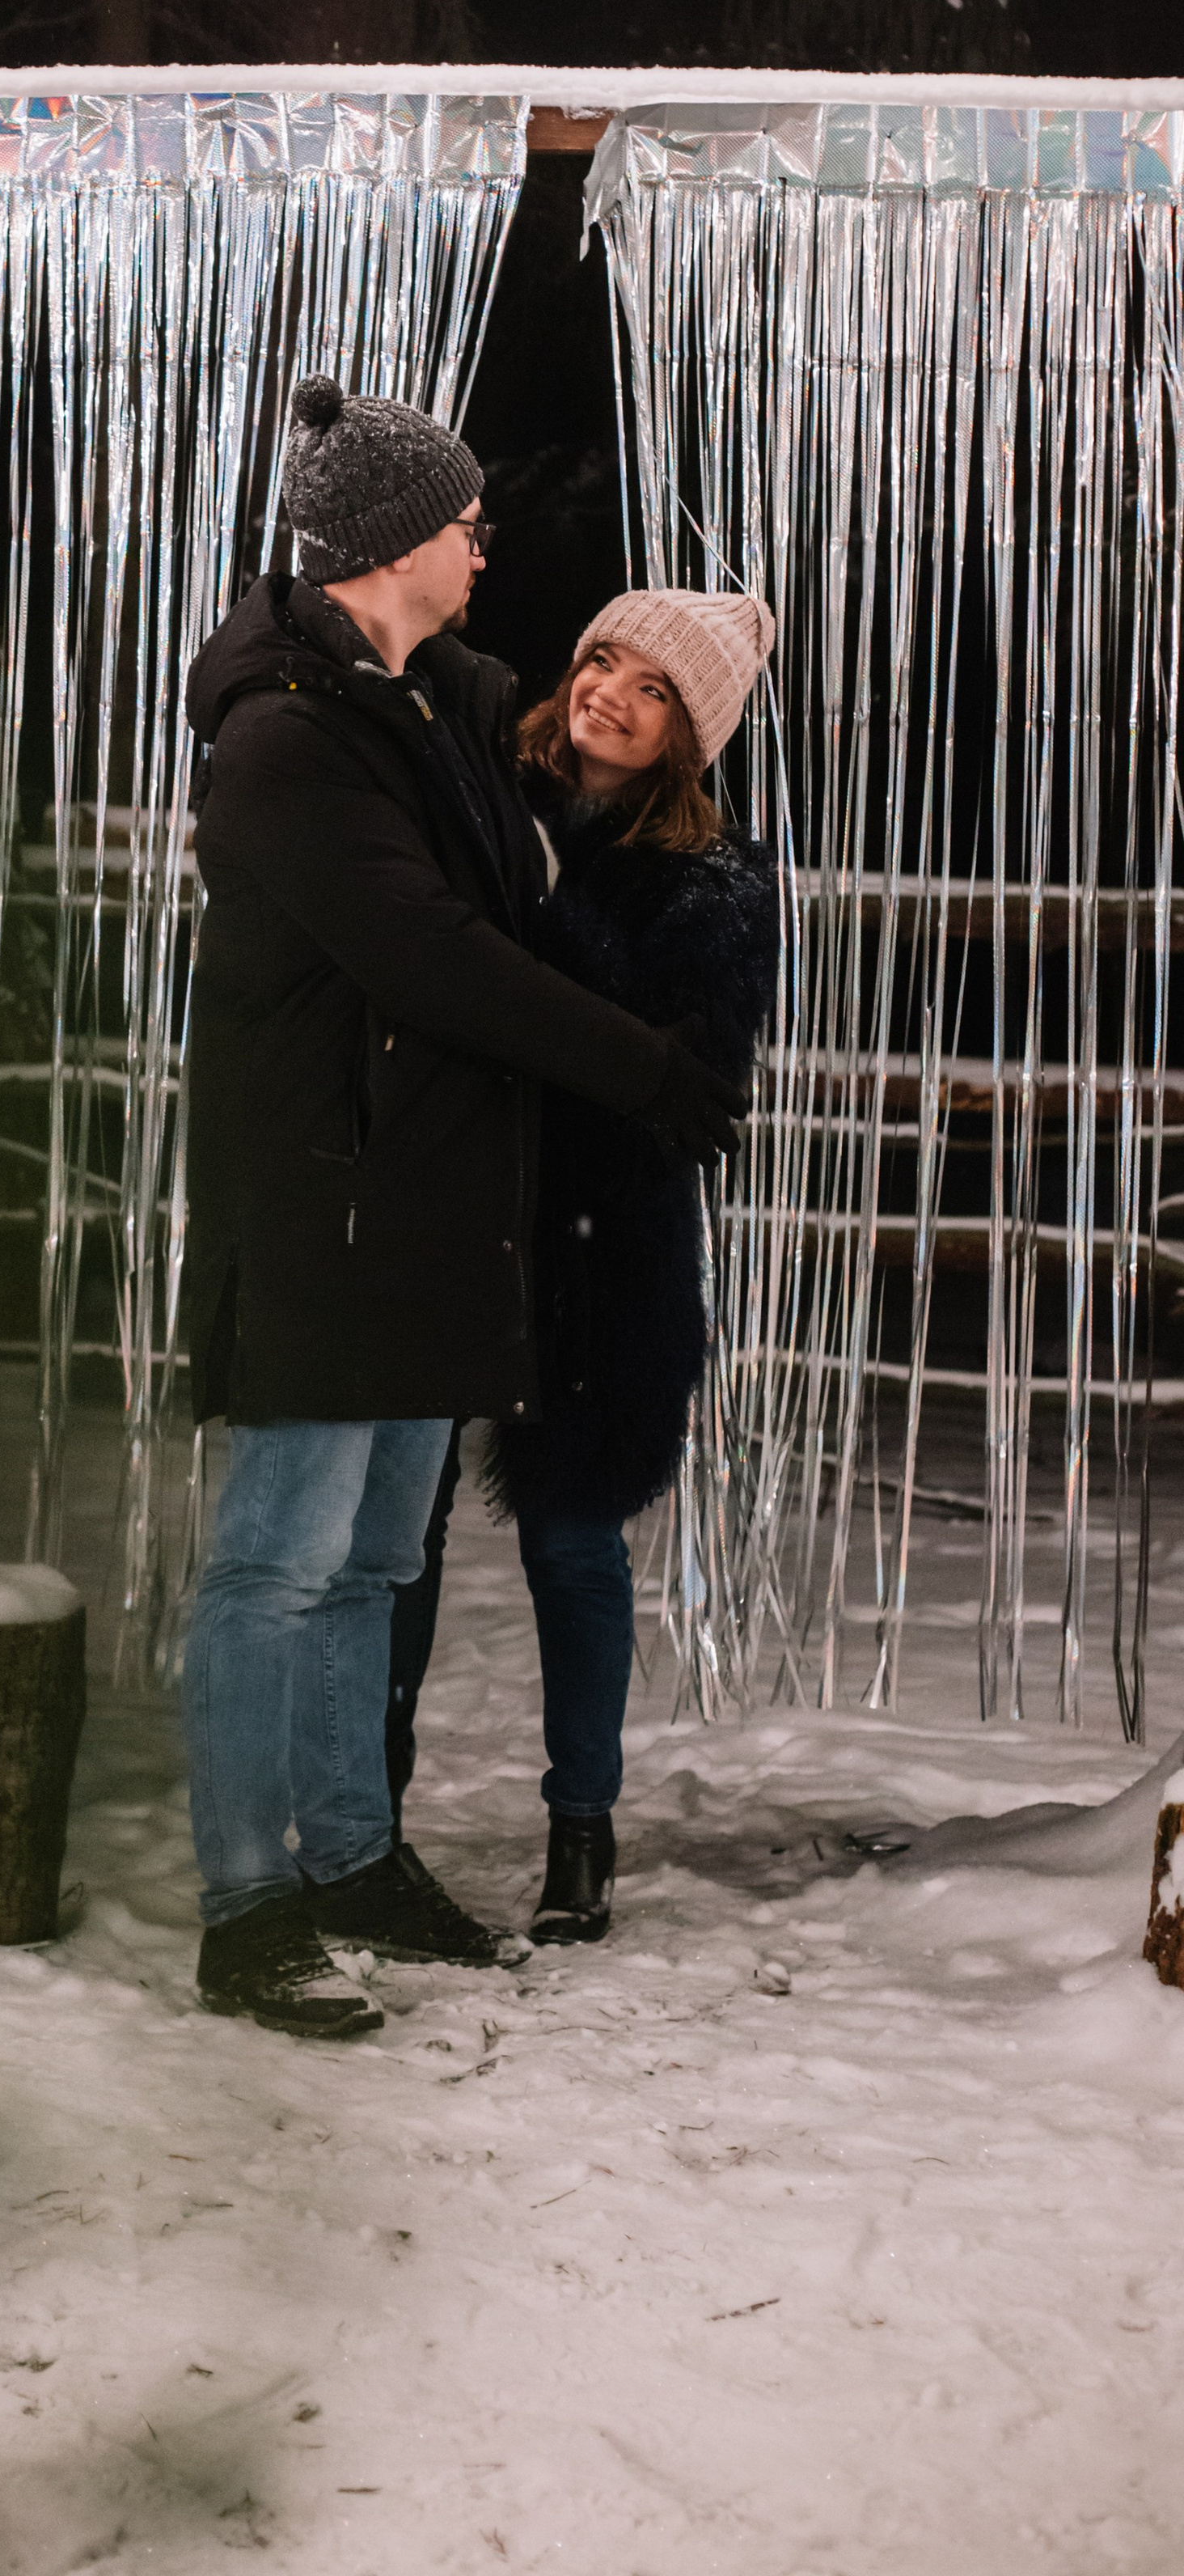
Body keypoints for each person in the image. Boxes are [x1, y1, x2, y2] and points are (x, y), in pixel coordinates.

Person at [180, 379, 753, 2040]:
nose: (486, 544)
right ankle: (245, 1905)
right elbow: (429, 954)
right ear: (389, 548)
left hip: (432, 1210)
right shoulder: (288, 738)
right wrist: (639, 1068)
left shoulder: (421, 701)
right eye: (464, 522)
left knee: (364, 1565)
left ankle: (352, 1858)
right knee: (273, 1571)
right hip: (323, 1206)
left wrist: (695, 662)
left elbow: (587, 753)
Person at [385, 590, 781, 1949]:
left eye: (654, 685)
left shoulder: (716, 884)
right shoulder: (484, 792)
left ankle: (582, 1832)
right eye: (604, 656)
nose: (612, 688)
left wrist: (555, 903)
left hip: (608, 1242)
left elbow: (686, 1085)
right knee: (398, 1529)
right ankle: (366, 1810)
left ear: (689, 736)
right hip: (454, 1208)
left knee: (571, 1539)